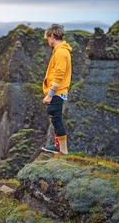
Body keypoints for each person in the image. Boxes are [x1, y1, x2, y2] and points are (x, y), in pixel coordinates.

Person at [41, 24, 72, 155]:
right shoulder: (61, 51)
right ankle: (58, 146)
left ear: (52, 36)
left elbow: (59, 74)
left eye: (48, 38)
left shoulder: (60, 52)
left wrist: (50, 94)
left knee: (56, 118)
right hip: (58, 92)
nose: (48, 41)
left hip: (57, 92)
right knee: (55, 117)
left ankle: (63, 150)